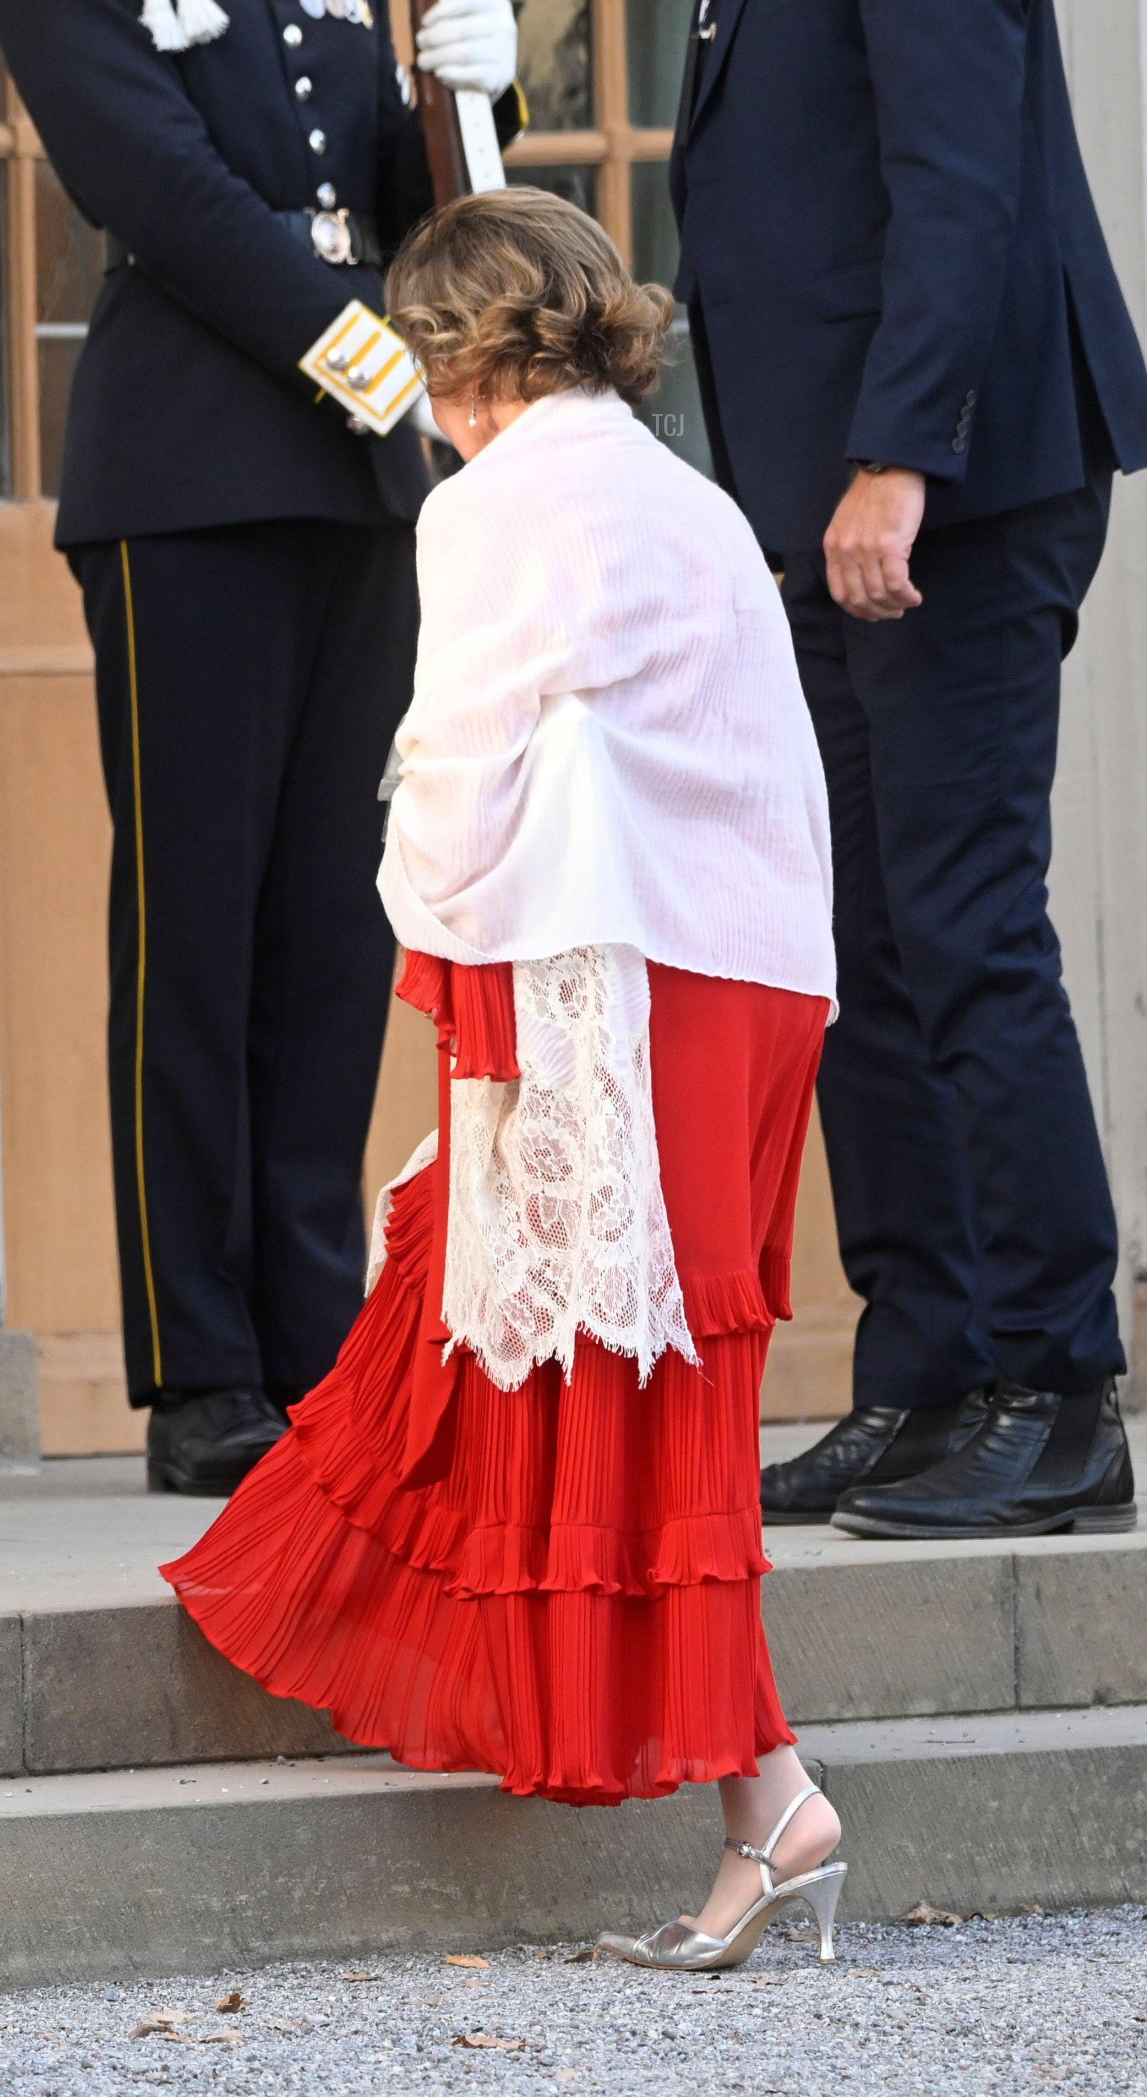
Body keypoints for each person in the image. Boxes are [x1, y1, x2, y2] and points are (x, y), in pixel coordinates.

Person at [163, 187, 847, 1972]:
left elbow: (457, 771)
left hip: (617, 969)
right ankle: (770, 1799)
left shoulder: (491, 506)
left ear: (468, 356)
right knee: (661, 1379)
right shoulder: (687, 496)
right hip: (754, 969)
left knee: (580, 1364)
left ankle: (771, 1797)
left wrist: (415, 913)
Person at [0, 0, 525, 1496]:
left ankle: (310, 1342)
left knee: (332, 940)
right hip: (190, 470)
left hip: (359, 484)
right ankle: (202, 1364)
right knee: (196, 932)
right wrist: (368, 359)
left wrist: (476, 105)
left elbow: (404, 203)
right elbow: (154, 183)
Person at [670, 0, 1147, 1537]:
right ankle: (931, 1371)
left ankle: (1060, 1388)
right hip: (832, 495)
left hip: (949, 486)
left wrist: (900, 454)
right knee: (862, 942)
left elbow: (957, 170)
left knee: (964, 921)